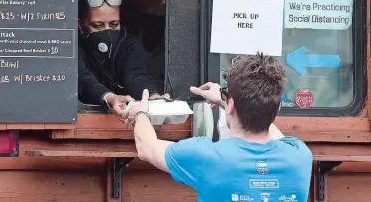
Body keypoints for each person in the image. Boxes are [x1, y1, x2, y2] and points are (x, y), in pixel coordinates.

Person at [124, 53, 313, 202]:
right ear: (277, 107)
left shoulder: (206, 155)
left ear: (231, 106)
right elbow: (265, 119)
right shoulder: (300, 156)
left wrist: (140, 112)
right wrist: (229, 102)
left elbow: (147, 148)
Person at [78, 0, 168, 118]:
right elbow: (81, 76)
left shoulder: (130, 45)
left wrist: (151, 95)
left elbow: (136, 76)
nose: (108, 31)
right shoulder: (72, 45)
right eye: (98, 26)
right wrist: (109, 97)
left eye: (114, 24)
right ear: (80, 25)